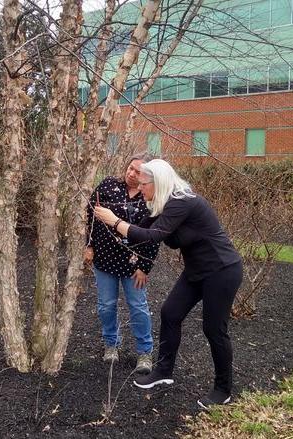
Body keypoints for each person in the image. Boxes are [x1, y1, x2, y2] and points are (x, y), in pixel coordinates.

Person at [93, 159, 242, 408]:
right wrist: (113, 235)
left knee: (214, 329)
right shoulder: (164, 204)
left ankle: (223, 389)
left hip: (221, 271)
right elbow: (144, 229)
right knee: (170, 313)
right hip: (196, 271)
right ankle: (163, 372)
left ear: (157, 182)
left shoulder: (183, 201)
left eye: (143, 185)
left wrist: (115, 222)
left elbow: (153, 236)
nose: (140, 190)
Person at [85, 153, 159, 373]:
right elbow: (90, 215)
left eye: (138, 171)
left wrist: (144, 267)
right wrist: (88, 245)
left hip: (133, 265)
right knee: (106, 305)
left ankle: (145, 352)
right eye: (130, 167)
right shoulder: (108, 185)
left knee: (138, 306)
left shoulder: (150, 197)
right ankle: (111, 344)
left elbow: (153, 236)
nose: (131, 173)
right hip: (104, 260)